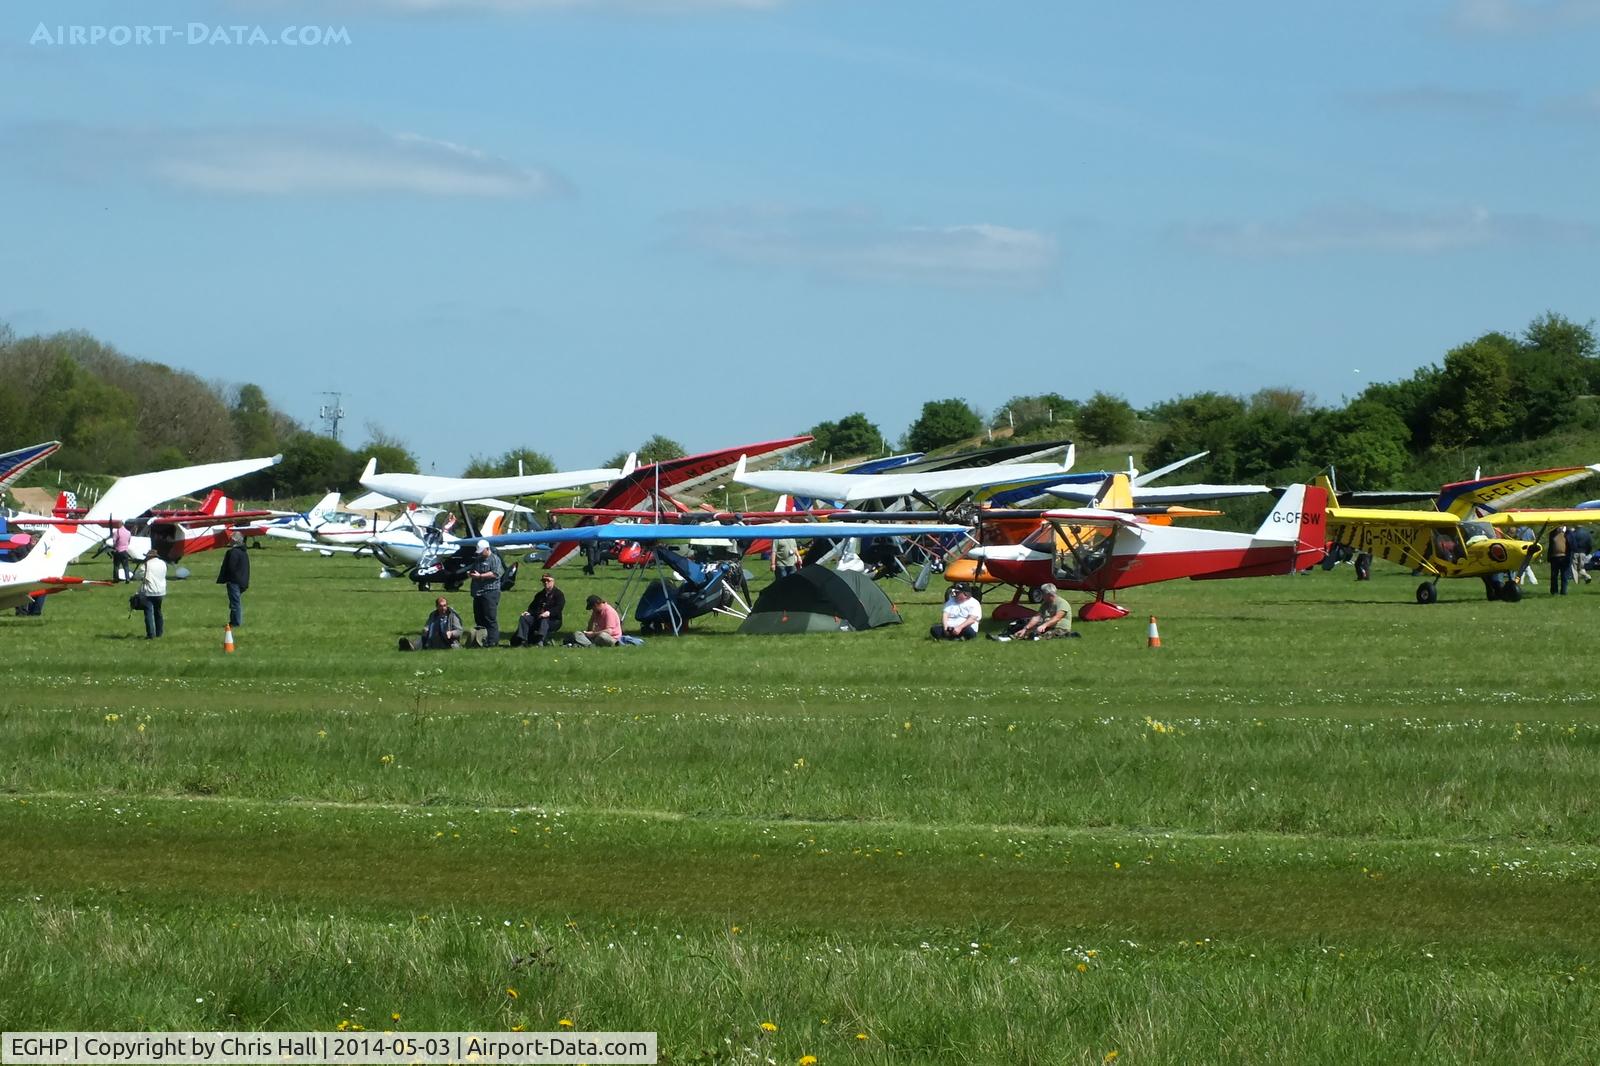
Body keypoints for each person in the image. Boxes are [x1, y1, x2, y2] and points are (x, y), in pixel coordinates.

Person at [992, 583, 1077, 641]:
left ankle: (1069, 635)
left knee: (1042, 636)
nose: (1042, 596)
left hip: (1060, 628)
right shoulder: (1045, 604)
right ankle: (1007, 638)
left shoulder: (1062, 603)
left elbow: (1057, 618)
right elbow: (1037, 617)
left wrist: (1044, 625)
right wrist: (1026, 628)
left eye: (1043, 594)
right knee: (1026, 632)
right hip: (1048, 626)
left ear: (1049, 594)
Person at [467, 539, 504, 646]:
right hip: (477, 593)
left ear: (487, 549)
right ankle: (480, 639)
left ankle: (493, 641)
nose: (480, 554)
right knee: (479, 617)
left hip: (490, 592)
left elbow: (496, 573)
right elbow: (474, 569)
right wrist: (471, 574)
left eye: (482, 551)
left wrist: (480, 576)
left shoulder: (495, 559)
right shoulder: (478, 559)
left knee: (490, 617)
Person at [512, 573, 565, 647]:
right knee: (524, 618)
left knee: (544, 619)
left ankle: (540, 640)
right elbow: (532, 607)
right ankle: (522, 639)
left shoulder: (559, 594)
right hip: (538, 618)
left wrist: (548, 613)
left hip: (553, 620)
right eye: (543, 581)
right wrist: (528, 613)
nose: (545, 582)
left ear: (553, 581)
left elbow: (559, 608)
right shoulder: (539, 595)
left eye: (548, 580)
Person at [217, 531, 250, 627]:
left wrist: (227, 578)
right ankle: (233, 620)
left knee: (235, 603)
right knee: (235, 602)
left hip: (234, 581)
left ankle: (236, 622)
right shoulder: (244, 552)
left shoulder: (233, 552)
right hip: (243, 581)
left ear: (234, 540)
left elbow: (231, 567)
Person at [139, 552, 167, 639]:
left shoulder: (146, 565)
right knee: (158, 611)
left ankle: (150, 634)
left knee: (148, 612)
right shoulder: (163, 563)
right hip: (161, 591)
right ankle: (159, 633)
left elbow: (140, 575)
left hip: (149, 591)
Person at [1548, 526, 1570, 596]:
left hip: (1564, 557)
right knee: (1554, 576)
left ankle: (1564, 591)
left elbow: (1571, 545)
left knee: (1564, 575)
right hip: (1554, 557)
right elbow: (1550, 546)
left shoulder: (1568, 533)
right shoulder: (1552, 533)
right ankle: (1554, 591)